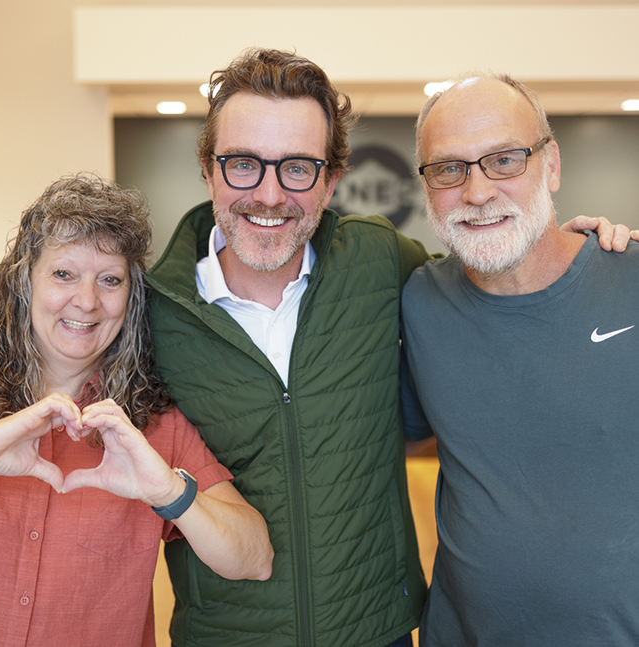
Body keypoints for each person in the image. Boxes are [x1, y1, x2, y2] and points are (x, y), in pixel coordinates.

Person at [146, 48, 631, 647]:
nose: (269, 195)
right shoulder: (152, 314)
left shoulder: (380, 263)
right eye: (243, 163)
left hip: (380, 632)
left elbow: (501, 266)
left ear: (330, 179)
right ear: (208, 166)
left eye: (297, 167)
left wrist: (597, 257)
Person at [0, 173, 273, 647]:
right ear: (23, 281)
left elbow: (253, 557)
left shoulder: (152, 424)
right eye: (63, 274)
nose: (88, 300)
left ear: (131, 298)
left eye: (110, 280)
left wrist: (166, 489)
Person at [401, 73, 639, 646]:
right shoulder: (420, 300)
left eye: (504, 159)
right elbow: (404, 437)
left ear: (551, 165)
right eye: (449, 168)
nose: (477, 192)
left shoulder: (630, 278)